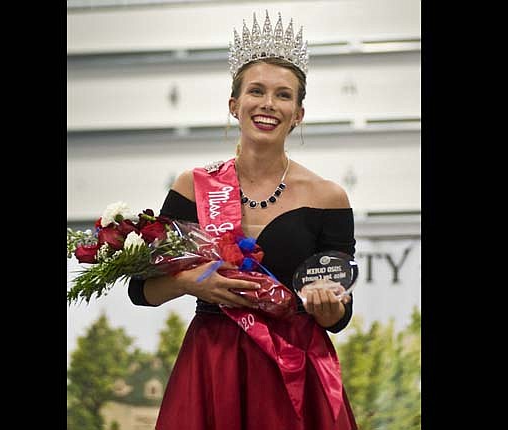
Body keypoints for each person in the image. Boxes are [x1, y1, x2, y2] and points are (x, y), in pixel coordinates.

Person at [128, 11, 358, 430]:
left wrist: (328, 308)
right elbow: (142, 290)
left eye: (283, 95)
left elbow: (339, 315)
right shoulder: (192, 187)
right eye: (256, 91)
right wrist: (188, 282)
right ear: (235, 105)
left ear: (299, 113)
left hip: (294, 368)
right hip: (212, 365)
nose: (268, 104)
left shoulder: (329, 197)